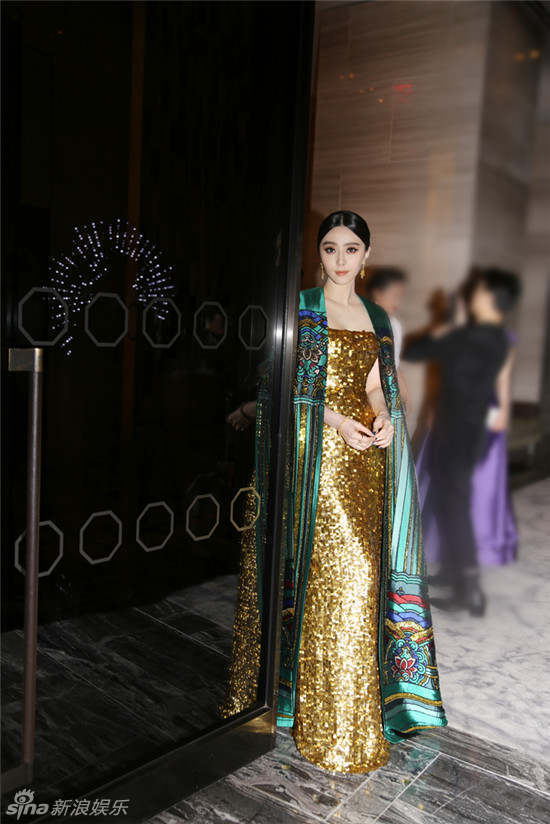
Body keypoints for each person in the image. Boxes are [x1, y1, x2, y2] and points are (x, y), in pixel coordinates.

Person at [220, 210, 447, 774]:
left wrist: (383, 416)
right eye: (329, 248)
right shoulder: (301, 308)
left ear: (367, 256)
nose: (340, 260)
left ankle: (349, 710)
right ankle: (330, 724)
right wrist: (338, 422)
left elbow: (374, 385)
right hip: (317, 458)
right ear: (317, 253)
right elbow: (286, 385)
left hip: (365, 459)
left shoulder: (376, 317)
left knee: (363, 578)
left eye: (351, 249)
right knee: (340, 577)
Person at [403, 268, 521, 616]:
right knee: (451, 503)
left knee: (454, 507)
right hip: (472, 432)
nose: (473, 294)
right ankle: (456, 575)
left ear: (491, 298)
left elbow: (414, 352)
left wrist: (444, 327)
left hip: (454, 432)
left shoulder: (467, 337)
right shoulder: (500, 339)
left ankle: (468, 591)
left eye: (478, 290)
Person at [366, 267, 411, 412]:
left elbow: (394, 364)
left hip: (388, 393)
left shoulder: (394, 324)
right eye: (394, 295)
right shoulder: (364, 319)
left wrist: (405, 395)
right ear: (377, 293)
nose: (398, 301)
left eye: (401, 296)